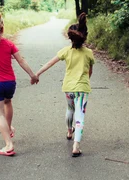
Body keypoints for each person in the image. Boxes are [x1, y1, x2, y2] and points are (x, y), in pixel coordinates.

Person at [0, 11, 38, 156]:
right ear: (2, 29)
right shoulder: (9, 44)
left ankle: (8, 144)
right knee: (8, 102)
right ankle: (9, 129)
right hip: (10, 83)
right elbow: (21, 61)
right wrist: (33, 75)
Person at [36, 13, 94, 157]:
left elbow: (50, 63)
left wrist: (37, 74)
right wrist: (84, 81)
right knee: (80, 116)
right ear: (84, 36)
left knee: (70, 109)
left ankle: (69, 131)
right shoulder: (89, 53)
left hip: (68, 87)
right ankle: (76, 146)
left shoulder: (65, 51)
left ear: (71, 37)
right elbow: (89, 72)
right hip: (82, 88)